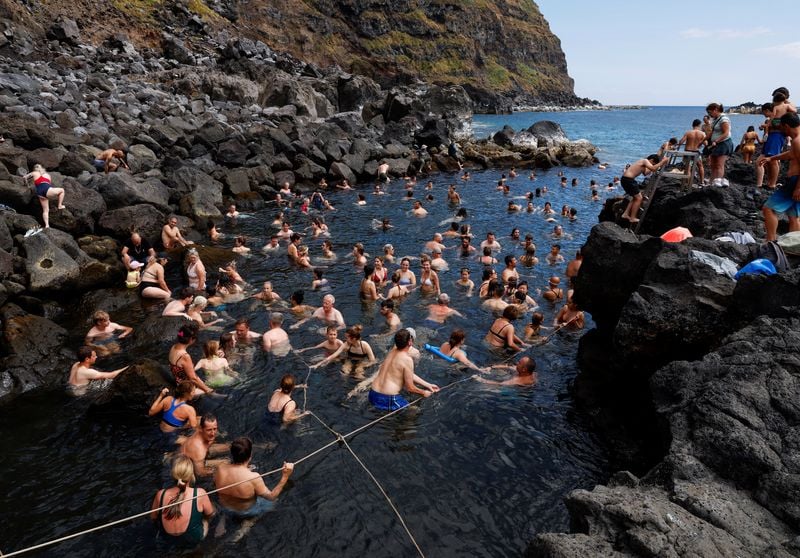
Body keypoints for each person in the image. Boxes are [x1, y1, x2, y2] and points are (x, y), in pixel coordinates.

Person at [213, 438, 294, 521]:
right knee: (274, 502)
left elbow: (216, 482)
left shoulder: (220, 468)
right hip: (244, 512)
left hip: (224, 507)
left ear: (232, 454)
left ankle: (223, 518)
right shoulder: (253, 477)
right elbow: (271, 497)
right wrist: (285, 476)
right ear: (250, 456)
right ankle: (249, 523)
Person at [368, 329, 439, 410]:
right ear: (410, 342)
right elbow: (410, 388)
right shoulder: (407, 359)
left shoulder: (392, 351)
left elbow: (408, 374)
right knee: (414, 411)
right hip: (388, 398)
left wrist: (428, 385)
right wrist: (424, 392)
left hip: (372, 393)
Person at [151, 455, 215, 545]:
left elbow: (153, 518)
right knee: (212, 511)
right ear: (191, 474)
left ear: (173, 474)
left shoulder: (160, 494)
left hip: (168, 539)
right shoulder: (199, 493)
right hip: (192, 539)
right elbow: (210, 514)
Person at [760, 112, 800, 241]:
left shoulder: (797, 141)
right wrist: (771, 158)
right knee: (794, 215)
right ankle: (794, 245)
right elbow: (791, 154)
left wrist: (798, 188)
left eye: (782, 127)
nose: (781, 130)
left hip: (795, 181)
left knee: (768, 208)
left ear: (787, 126)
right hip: (796, 182)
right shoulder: (797, 140)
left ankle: (770, 241)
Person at [311, 325, 376, 377]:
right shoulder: (346, 345)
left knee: (358, 373)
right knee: (344, 373)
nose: (345, 339)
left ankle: (362, 388)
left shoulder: (364, 345)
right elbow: (333, 355)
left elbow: (372, 360)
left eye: (347, 338)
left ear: (353, 339)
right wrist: (317, 364)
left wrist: (361, 365)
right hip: (350, 360)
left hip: (362, 361)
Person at [620, 154, 668, 222]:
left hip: (627, 180)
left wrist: (658, 166)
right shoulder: (645, 161)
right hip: (628, 180)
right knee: (639, 198)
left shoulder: (643, 164)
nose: (652, 165)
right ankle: (632, 218)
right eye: (653, 163)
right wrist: (663, 161)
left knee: (635, 197)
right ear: (651, 160)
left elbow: (646, 173)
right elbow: (653, 168)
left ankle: (625, 214)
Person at [169, 325, 213, 395]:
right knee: (212, 392)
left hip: (178, 380)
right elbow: (193, 379)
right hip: (185, 388)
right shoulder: (185, 356)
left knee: (205, 384)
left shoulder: (173, 347)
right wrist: (207, 390)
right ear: (191, 340)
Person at [24, 164, 66, 229]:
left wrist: (26, 184)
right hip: (47, 190)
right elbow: (48, 184)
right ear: (42, 169)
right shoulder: (47, 175)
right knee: (62, 190)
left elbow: (24, 177)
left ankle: (47, 225)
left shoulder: (34, 173)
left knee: (45, 210)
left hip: (40, 193)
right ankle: (59, 205)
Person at [704, 102, 734, 187]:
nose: (709, 115)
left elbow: (726, 133)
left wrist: (716, 141)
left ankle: (719, 182)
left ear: (716, 110)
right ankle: (711, 182)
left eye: (710, 112)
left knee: (719, 164)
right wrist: (703, 140)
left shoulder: (724, 119)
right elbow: (711, 133)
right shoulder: (715, 119)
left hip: (723, 143)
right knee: (713, 164)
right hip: (716, 144)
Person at [676, 120, 707, 186]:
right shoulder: (702, 133)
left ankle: (688, 184)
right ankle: (702, 182)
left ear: (692, 125)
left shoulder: (688, 133)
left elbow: (681, 142)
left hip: (688, 152)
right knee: (700, 166)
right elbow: (706, 144)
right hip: (696, 152)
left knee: (688, 168)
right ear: (699, 125)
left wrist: (678, 145)